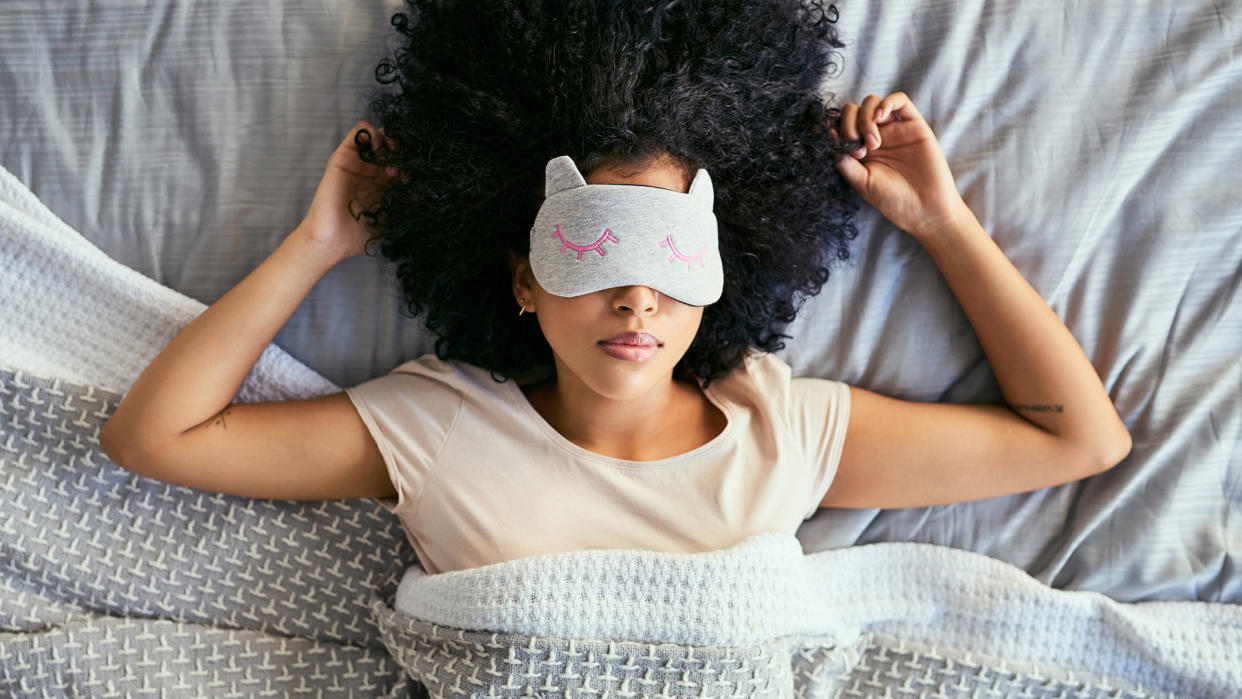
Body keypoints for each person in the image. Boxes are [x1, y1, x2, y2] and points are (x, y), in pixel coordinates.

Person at [98, 1, 1131, 576]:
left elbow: (1078, 439)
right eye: (595, 256)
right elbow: (153, 439)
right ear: (523, 281)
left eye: (669, 264)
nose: (636, 303)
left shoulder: (788, 433)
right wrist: (322, 241)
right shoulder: (435, 428)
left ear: (724, 275)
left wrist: (942, 226)